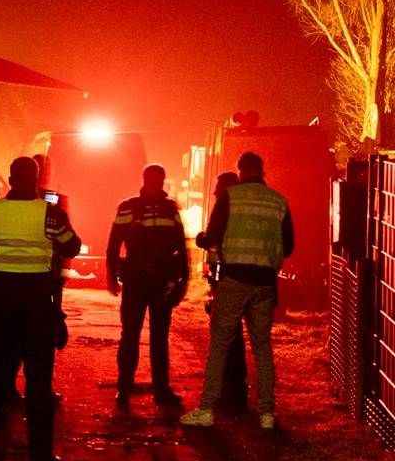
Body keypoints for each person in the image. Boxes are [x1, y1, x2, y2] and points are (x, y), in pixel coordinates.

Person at [0, 156, 81, 461]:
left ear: (10, 179)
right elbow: (72, 246)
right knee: (38, 382)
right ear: (36, 178)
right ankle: (41, 458)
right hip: (35, 304)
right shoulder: (50, 214)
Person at [182, 152, 294, 430]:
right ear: (262, 171)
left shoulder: (230, 198)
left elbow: (211, 238)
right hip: (265, 284)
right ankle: (267, 414)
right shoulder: (279, 201)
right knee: (263, 348)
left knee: (219, 346)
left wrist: (200, 239)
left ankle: (206, 409)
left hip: (234, 281)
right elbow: (288, 247)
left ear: (240, 171)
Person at [106, 163, 189, 413]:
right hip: (136, 279)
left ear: (163, 181)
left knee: (160, 337)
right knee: (130, 335)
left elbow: (181, 245)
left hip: (162, 280)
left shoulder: (170, 207)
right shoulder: (128, 206)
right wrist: (110, 275)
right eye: (151, 181)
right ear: (144, 181)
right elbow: (113, 242)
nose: (155, 185)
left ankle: (162, 391)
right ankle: (124, 388)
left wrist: (183, 279)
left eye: (158, 181)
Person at [197, 172, 248, 414]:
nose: (216, 193)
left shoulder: (226, 205)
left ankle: (230, 391)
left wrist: (201, 239)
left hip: (227, 279)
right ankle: (237, 392)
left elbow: (212, 238)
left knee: (228, 337)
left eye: (219, 188)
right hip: (246, 278)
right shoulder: (247, 206)